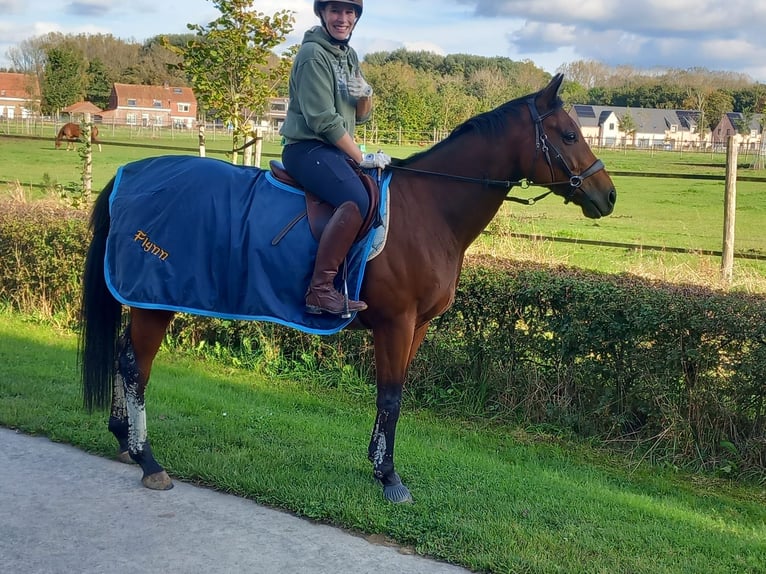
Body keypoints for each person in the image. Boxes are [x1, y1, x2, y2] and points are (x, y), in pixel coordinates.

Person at [280, 0, 390, 316]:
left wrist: (365, 96)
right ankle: (320, 291)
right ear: (323, 14)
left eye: (349, 12)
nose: (343, 18)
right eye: (335, 11)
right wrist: (362, 156)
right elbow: (323, 120)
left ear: (356, 17)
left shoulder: (349, 56)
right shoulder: (312, 56)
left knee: (375, 191)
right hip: (307, 149)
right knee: (356, 199)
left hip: (334, 150)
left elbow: (362, 117)